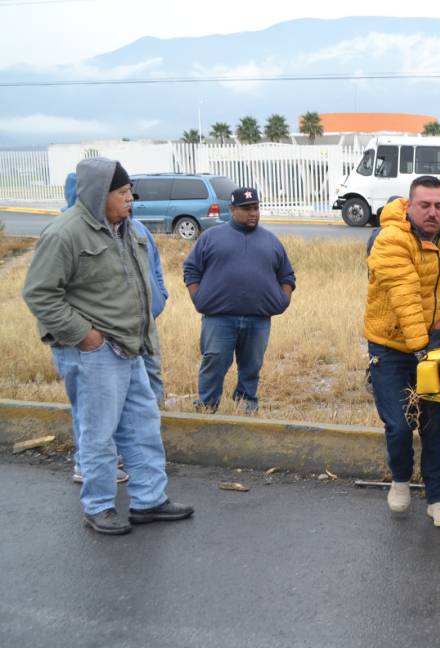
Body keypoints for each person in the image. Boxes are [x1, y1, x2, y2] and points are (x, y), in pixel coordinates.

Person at [22, 157, 193, 535]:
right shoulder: (65, 234)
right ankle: (98, 505)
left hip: (130, 346)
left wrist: (144, 335)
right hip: (93, 351)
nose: (130, 198)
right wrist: (85, 335)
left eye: (130, 191)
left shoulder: (128, 229)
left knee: (143, 426)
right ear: (100, 194)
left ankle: (149, 500)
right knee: (98, 433)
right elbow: (40, 294)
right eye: (122, 192)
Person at [365, 175, 440, 528]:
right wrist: (421, 350)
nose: (433, 212)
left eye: (439, 206)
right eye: (425, 205)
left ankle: (438, 500)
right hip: (391, 347)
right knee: (400, 423)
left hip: (433, 346)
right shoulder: (390, 239)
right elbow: (405, 299)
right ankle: (401, 480)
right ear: (410, 206)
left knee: (434, 423)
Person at [183, 187, 296, 414]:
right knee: (213, 363)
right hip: (219, 318)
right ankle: (206, 406)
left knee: (251, 367)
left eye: (255, 208)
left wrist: (282, 300)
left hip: (258, 319)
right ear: (232, 210)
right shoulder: (210, 237)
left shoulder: (271, 241)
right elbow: (191, 269)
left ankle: (246, 407)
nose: (252, 213)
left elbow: (287, 275)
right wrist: (198, 297)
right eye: (246, 209)